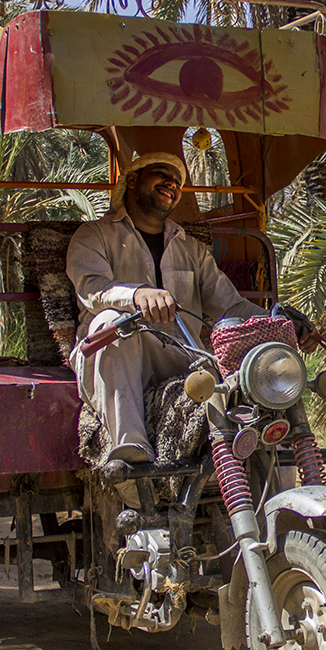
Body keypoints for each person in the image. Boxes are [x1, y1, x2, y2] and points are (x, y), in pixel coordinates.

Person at [66, 151, 261, 466]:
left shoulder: (191, 249)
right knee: (113, 320)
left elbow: (231, 305)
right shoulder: (94, 235)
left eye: (177, 181)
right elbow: (92, 288)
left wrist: (279, 321)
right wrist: (137, 296)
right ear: (132, 180)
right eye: (161, 173)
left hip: (181, 357)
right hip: (116, 358)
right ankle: (129, 449)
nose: (171, 184)